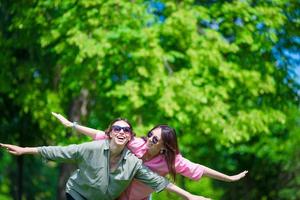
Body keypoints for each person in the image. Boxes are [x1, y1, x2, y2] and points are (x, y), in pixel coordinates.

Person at [0, 118, 210, 200]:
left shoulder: (133, 162)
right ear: (110, 133)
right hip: (78, 194)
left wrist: (189, 196)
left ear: (130, 137)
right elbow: (58, 152)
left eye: (126, 130)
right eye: (116, 128)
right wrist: (25, 149)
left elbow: (159, 182)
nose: (121, 131)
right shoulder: (91, 148)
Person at [52, 112, 248, 200]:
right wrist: (72, 126)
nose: (149, 140)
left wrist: (229, 178)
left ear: (163, 147)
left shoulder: (171, 161)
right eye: (150, 135)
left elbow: (199, 169)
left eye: (155, 140)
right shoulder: (135, 143)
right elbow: (101, 134)